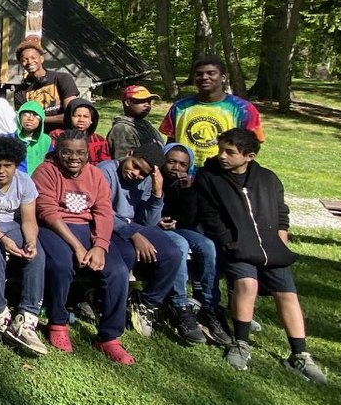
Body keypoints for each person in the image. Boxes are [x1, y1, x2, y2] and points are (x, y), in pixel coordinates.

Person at [195, 129, 326, 383]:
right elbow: (209, 215)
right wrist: (229, 242)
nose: (222, 156)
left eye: (229, 152)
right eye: (221, 149)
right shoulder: (209, 177)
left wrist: (281, 236)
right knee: (247, 284)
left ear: (249, 156)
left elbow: (281, 212)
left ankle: (299, 354)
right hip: (237, 247)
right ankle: (241, 343)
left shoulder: (267, 179)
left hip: (271, 247)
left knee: (287, 294)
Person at [34, 131, 135, 364]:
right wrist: (77, 247)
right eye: (67, 151)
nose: (74, 157)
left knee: (118, 271)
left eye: (80, 152)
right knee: (60, 264)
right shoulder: (46, 171)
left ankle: (109, 336)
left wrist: (99, 245)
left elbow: (103, 211)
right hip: (56, 227)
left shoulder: (95, 175)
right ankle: (57, 322)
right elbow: (47, 211)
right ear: (58, 151)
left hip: (87, 227)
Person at [96, 145, 193, 344]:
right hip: (109, 226)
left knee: (173, 253)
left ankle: (147, 302)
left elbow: (148, 221)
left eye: (143, 173)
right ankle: (102, 300)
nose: (136, 174)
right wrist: (134, 234)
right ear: (129, 154)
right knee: (129, 254)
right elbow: (101, 211)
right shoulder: (106, 171)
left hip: (135, 226)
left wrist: (157, 194)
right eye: (135, 166)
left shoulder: (147, 180)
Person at [0, 135, 48, 356]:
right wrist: (3, 240)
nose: (1, 171)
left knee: (36, 253)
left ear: (16, 165)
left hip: (10, 224)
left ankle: (28, 314)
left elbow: (29, 219)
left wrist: (30, 241)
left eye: (7, 166)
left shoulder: (25, 182)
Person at [160, 143, 231, 346]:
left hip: (180, 227)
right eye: (171, 161)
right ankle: (180, 304)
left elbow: (189, 219)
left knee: (208, 245)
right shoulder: (153, 178)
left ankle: (210, 304)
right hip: (156, 228)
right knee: (180, 246)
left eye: (182, 164)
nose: (176, 168)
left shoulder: (188, 184)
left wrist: (187, 190)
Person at [160, 55, 263, 166]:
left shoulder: (243, 109)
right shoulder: (180, 107)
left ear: (223, 77)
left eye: (211, 73)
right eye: (199, 74)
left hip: (221, 175)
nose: (204, 77)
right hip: (184, 174)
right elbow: (171, 142)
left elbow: (252, 146)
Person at [12, 38, 78, 130]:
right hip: (39, 137)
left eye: (33, 58)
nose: (30, 62)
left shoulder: (63, 79)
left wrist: (40, 119)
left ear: (41, 59)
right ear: (20, 63)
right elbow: (24, 121)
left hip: (64, 134)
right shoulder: (20, 92)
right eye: (24, 60)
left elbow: (72, 115)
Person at [106, 85, 165, 162]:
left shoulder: (146, 125)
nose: (147, 105)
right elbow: (125, 162)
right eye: (142, 101)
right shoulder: (122, 129)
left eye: (149, 102)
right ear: (127, 102)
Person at [50, 98, 109, 163]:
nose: (81, 120)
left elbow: (105, 163)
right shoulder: (57, 135)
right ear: (69, 117)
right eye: (77, 116)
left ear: (91, 120)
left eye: (86, 116)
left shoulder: (99, 140)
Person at [13, 100, 52, 174]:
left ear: (41, 120)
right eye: (26, 114)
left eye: (36, 115)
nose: (30, 118)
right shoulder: (10, 139)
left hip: (39, 181)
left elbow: (50, 164)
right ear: (19, 117)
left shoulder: (46, 140)